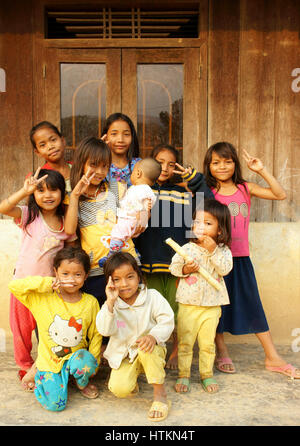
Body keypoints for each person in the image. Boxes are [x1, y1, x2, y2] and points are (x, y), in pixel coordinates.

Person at [203, 141, 300, 379]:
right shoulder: (206, 191)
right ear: (209, 166)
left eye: (227, 161)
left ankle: (272, 357)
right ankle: (221, 351)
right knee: (217, 307)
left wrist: (261, 170)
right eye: (216, 162)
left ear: (235, 164)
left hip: (241, 258)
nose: (222, 166)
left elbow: (280, 194)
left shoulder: (245, 188)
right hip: (214, 259)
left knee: (253, 304)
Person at [134, 144, 214, 369]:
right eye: (160, 162)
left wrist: (195, 181)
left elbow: (203, 207)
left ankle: (177, 350)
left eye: (171, 164)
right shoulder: (141, 191)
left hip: (177, 263)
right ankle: (153, 351)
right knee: (151, 309)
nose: (165, 168)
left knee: (178, 309)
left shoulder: (182, 193)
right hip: (149, 261)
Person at [0, 168, 77, 390]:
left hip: (50, 289)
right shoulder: (29, 216)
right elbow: (4, 208)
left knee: (48, 329)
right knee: (21, 331)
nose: (47, 195)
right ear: (34, 194)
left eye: (53, 190)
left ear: (63, 194)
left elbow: (70, 247)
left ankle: (45, 365)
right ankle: (25, 367)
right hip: (24, 286)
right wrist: (24, 191)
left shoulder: (65, 223)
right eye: (41, 190)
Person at [8, 246, 102, 411]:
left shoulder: (90, 303)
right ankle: (38, 371)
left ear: (86, 275)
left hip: (76, 359)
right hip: (51, 361)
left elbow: (95, 334)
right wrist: (46, 283)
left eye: (77, 274)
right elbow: (15, 286)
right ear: (55, 272)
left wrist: (94, 362)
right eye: (65, 274)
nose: (71, 279)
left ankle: (80, 382)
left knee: (85, 361)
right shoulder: (43, 298)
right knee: (55, 405)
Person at [96, 252, 174, 422]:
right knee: (119, 389)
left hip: (150, 349)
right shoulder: (112, 304)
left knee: (146, 350)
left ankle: (160, 395)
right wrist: (109, 302)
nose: (124, 284)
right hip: (126, 355)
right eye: (117, 279)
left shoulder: (152, 296)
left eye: (129, 277)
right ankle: (134, 374)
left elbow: (167, 320)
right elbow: (104, 330)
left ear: (138, 276)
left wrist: (153, 336)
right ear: (110, 282)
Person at [64, 136, 141, 308]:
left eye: (105, 166)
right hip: (95, 269)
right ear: (81, 163)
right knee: (102, 319)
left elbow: (139, 215)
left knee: (129, 316)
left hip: (125, 264)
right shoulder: (72, 196)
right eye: (93, 165)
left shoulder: (117, 188)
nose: (99, 171)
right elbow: (69, 230)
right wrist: (75, 195)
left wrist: (142, 214)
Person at [169, 199, 233, 394]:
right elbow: (174, 268)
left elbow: (224, 269)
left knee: (207, 343)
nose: (200, 227)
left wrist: (213, 250)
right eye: (197, 222)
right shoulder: (187, 248)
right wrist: (186, 268)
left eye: (208, 223)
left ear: (220, 230)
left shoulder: (222, 251)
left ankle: (206, 374)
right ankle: (184, 374)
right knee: (186, 342)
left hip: (212, 306)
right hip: (188, 304)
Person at [98, 158, 161, 266]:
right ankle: (134, 253)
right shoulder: (137, 188)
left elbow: (147, 203)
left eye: (132, 173)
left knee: (118, 234)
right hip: (129, 217)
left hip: (132, 219)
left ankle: (112, 255)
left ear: (138, 173)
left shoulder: (143, 189)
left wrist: (144, 212)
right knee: (124, 237)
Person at [30, 121, 72, 193]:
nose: (50, 147)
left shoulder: (79, 169)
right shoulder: (38, 178)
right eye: (43, 145)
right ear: (37, 152)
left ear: (63, 141)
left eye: (53, 140)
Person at [101, 113, 141, 187]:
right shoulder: (98, 165)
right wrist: (97, 150)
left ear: (132, 137)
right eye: (114, 134)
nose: (120, 140)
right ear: (106, 137)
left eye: (126, 134)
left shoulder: (139, 165)